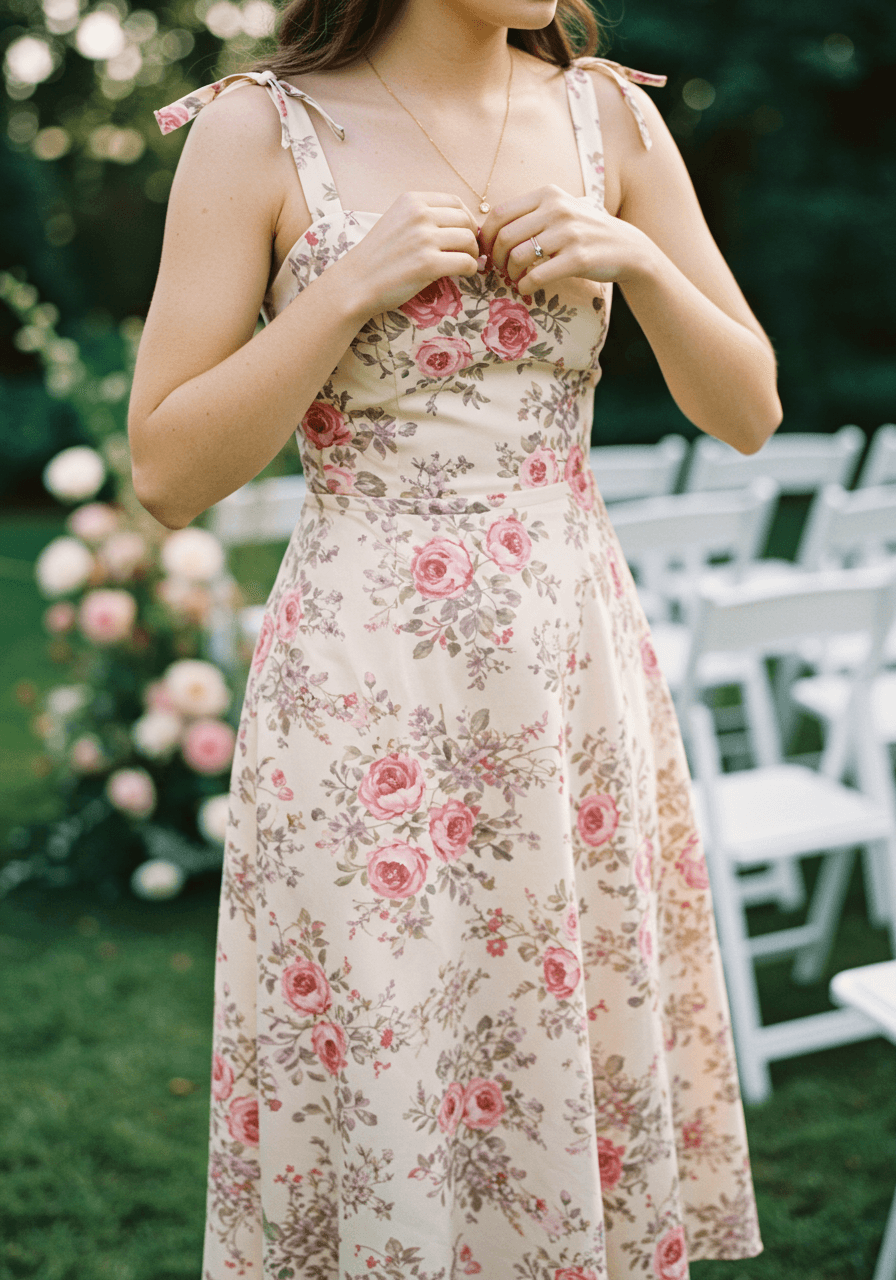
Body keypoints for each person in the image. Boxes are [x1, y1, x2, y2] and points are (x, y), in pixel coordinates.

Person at [129, 0, 780, 1275]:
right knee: (383, 1029)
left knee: (552, 1028)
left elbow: (747, 408)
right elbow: (165, 469)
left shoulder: (612, 117)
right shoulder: (257, 133)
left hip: (567, 674)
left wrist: (635, 262)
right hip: (363, 682)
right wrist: (342, 291)